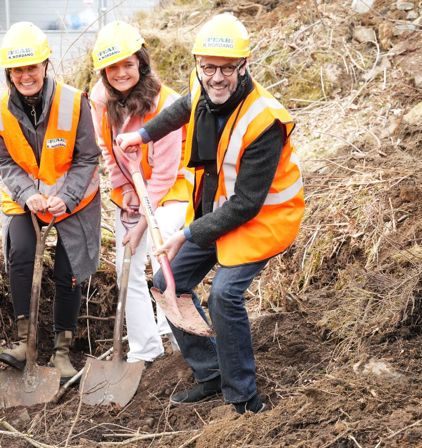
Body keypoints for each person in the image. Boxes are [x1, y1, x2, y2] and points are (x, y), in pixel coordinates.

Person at [115, 13, 304, 413]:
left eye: (227, 69)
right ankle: (212, 372)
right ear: (198, 65)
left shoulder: (265, 121)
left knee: (224, 295)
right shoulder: (203, 85)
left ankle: (244, 398)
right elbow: (184, 107)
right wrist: (143, 135)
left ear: (244, 66)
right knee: (167, 284)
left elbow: (247, 203)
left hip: (263, 219)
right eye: (208, 68)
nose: (217, 78)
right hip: (217, 212)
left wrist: (185, 233)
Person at [0, 22, 101, 383]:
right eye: (17, 70)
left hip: (74, 199)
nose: (25, 76)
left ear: (45, 65)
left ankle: (62, 351)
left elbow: (88, 156)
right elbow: (3, 160)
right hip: (26, 199)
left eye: (32, 68)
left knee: (69, 269)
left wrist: (66, 198)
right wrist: (27, 195)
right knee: (21, 253)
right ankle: (26, 342)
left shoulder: (74, 101)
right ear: (9, 73)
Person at [88, 21, 190, 363]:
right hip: (132, 188)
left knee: (162, 250)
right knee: (126, 265)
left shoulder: (166, 104)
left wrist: (143, 224)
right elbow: (107, 147)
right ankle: (145, 349)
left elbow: (164, 174)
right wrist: (122, 186)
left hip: (171, 188)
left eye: (127, 64)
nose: (120, 73)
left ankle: (176, 335)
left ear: (141, 62)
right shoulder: (100, 98)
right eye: (112, 67)